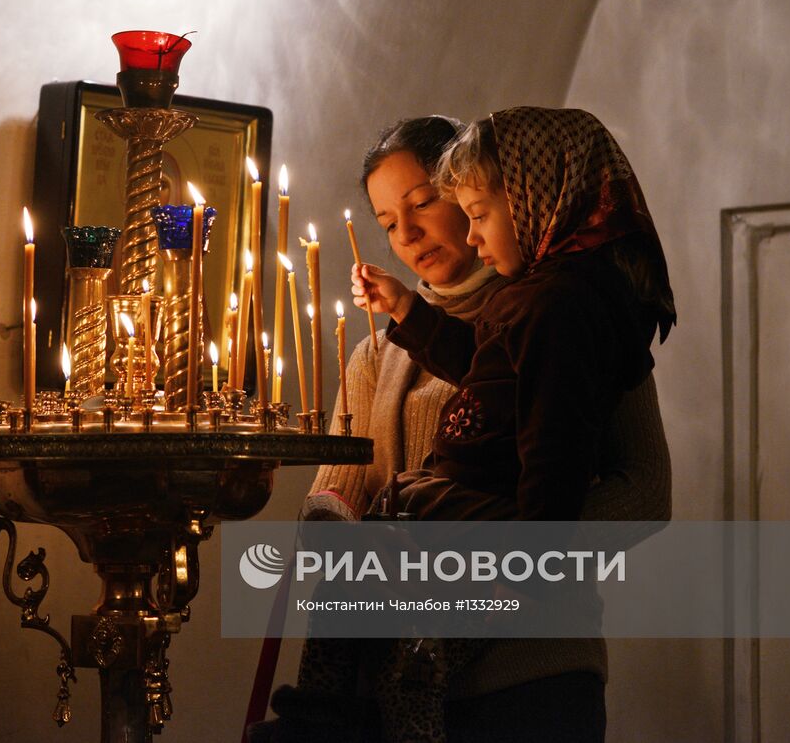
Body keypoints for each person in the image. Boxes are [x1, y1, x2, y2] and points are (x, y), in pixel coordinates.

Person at [266, 113, 672, 743]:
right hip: (390, 656)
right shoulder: (382, 347)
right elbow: (339, 490)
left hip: (532, 672)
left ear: (477, 193)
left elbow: (644, 492)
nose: (407, 233)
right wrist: (350, 544)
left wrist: (492, 562)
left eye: (425, 203)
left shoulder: (572, 315)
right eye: (386, 223)